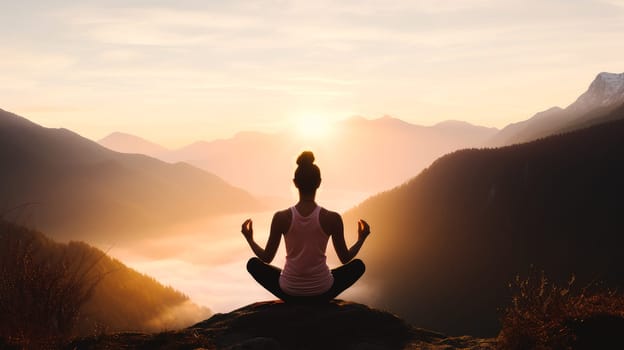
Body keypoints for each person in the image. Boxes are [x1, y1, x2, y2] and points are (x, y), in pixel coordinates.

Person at [241, 151, 371, 303]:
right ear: (319, 182)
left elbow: (266, 258)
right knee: (358, 266)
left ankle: (295, 290)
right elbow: (345, 258)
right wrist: (361, 238)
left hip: (289, 292)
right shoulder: (332, 218)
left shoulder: (281, 217)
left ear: (295, 182)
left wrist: (249, 238)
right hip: (323, 292)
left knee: (253, 264)